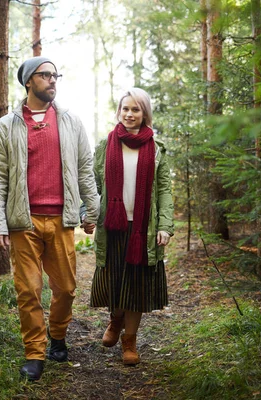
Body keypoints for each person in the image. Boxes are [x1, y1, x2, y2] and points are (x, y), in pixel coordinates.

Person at [0, 56, 100, 381]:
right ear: (28, 82)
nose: (52, 80)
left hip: (62, 221)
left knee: (66, 288)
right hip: (24, 222)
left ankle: (58, 336)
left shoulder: (70, 122)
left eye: (55, 75)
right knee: (29, 290)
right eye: (45, 75)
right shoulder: (6, 126)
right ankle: (35, 353)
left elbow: (84, 171)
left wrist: (91, 211)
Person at [86, 87, 174, 366]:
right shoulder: (105, 145)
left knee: (136, 287)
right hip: (113, 226)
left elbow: (164, 191)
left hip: (143, 230)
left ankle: (130, 341)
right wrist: (87, 214)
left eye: (136, 109)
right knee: (115, 281)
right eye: (125, 108)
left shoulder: (156, 150)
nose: (129, 114)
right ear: (119, 111)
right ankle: (115, 319)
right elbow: (92, 184)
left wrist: (165, 226)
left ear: (144, 113)